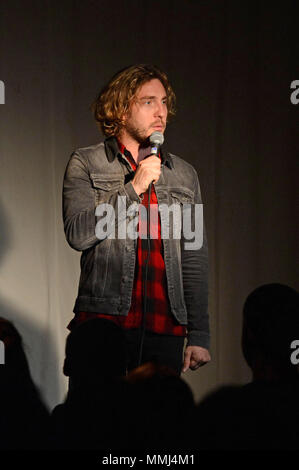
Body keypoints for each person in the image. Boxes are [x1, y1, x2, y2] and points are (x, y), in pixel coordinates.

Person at [63, 64, 211, 375]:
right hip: (104, 326)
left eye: (164, 102)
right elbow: (78, 234)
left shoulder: (184, 175)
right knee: (98, 421)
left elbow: (194, 255)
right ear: (120, 108)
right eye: (148, 102)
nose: (161, 112)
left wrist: (199, 334)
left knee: (157, 423)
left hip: (165, 329)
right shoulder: (87, 163)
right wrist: (133, 189)